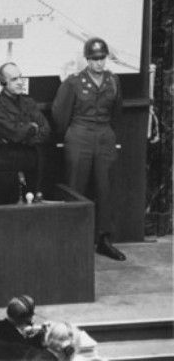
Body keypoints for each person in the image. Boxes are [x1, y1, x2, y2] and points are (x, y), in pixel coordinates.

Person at [52, 38, 126, 261]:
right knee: (76, 186)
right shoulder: (74, 82)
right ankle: (72, 240)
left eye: (102, 58)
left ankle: (104, 239)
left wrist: (113, 137)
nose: (99, 63)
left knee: (105, 189)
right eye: (94, 59)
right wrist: (65, 138)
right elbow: (60, 112)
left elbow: (117, 112)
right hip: (79, 133)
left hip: (104, 134)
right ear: (87, 59)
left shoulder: (113, 81)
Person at [0, 63, 51, 204]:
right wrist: (32, 128)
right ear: (3, 82)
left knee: (31, 208)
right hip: (6, 164)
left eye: (20, 77)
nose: (20, 82)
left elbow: (45, 129)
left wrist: (26, 137)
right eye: (14, 79)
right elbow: (15, 133)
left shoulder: (29, 102)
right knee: (6, 211)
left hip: (30, 162)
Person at [0, 295, 47, 361]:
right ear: (23, 319)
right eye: (30, 318)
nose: (32, 321)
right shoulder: (13, 340)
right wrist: (41, 341)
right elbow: (26, 350)